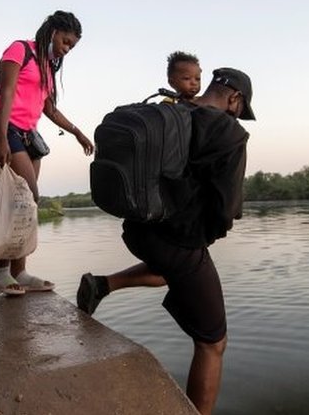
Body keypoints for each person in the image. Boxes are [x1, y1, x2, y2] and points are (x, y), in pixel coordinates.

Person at [76, 67, 256, 415]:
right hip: (179, 241)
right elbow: (227, 207)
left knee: (165, 272)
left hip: (138, 230)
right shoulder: (229, 132)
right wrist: (207, 235)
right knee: (212, 343)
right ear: (234, 98)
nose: (238, 116)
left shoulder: (171, 109)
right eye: (240, 109)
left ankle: (101, 285)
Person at [0, 11, 94, 295]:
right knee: (28, 195)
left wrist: (77, 132)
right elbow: (6, 93)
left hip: (28, 134)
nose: (66, 50)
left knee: (26, 204)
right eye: (65, 42)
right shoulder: (19, 49)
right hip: (6, 127)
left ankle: (19, 271)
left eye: (71, 46)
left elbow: (49, 109)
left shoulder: (48, 65)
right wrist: (0, 139)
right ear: (53, 31)